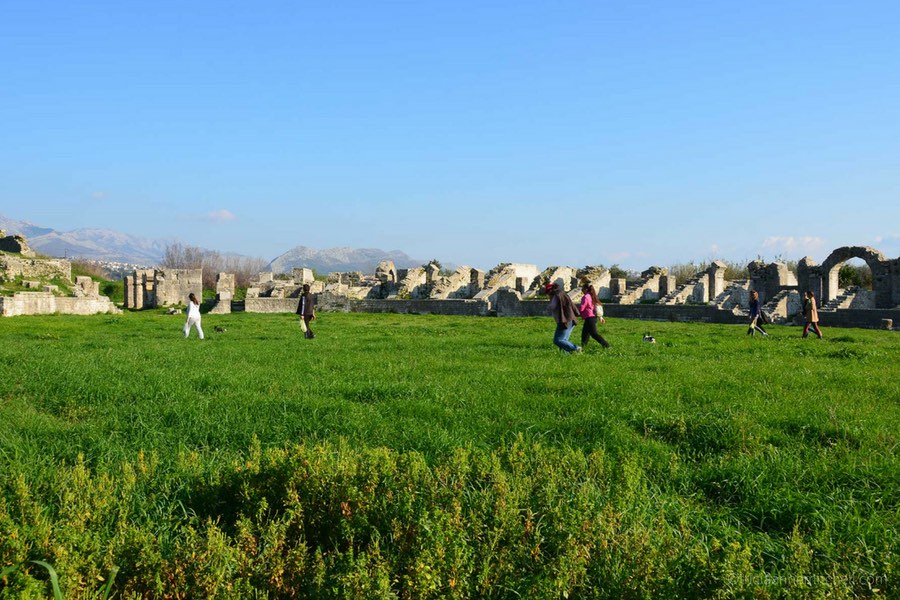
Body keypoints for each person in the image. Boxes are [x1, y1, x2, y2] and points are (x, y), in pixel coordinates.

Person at [545, 280, 581, 353]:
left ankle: (575, 348)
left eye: (548, 293)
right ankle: (565, 355)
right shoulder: (563, 294)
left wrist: (548, 306)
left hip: (565, 320)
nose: (548, 295)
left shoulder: (556, 295)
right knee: (564, 340)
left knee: (558, 340)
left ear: (550, 291)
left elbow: (553, 306)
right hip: (571, 319)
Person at [578, 283, 610, 349]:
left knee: (594, 334)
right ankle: (583, 347)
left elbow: (582, 308)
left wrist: (575, 312)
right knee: (585, 333)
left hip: (589, 317)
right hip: (592, 317)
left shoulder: (586, 297)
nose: (582, 290)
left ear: (586, 289)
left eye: (582, 289)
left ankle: (606, 345)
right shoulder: (592, 296)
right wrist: (600, 317)